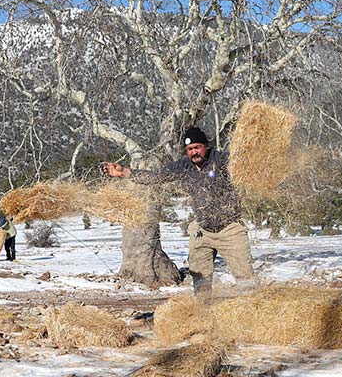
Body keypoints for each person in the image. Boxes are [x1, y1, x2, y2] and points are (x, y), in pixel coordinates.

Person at [102, 126, 253, 297]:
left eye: (197, 147)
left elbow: (244, 166)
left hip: (230, 228)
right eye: (190, 149)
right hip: (202, 230)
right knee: (200, 278)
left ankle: (252, 310)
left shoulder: (221, 159)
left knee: (245, 277)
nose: (194, 152)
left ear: (206, 146)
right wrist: (124, 172)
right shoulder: (184, 165)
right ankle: (203, 312)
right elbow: (156, 177)